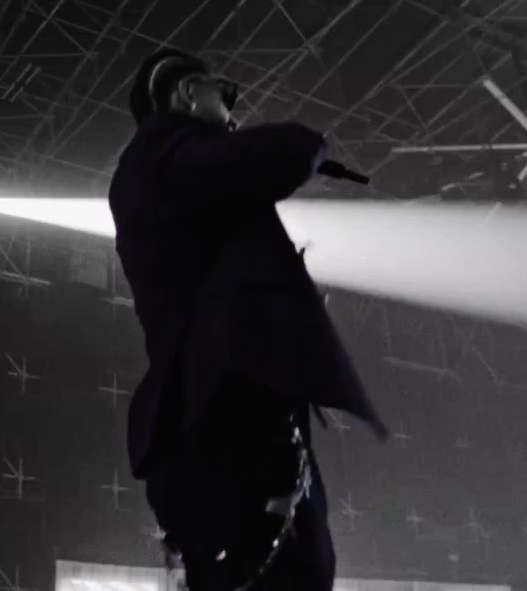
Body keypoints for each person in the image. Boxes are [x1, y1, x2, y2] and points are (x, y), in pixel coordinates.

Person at [108, 49, 388, 591]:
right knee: (286, 571)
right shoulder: (164, 151)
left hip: (214, 417)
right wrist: (311, 146)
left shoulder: (159, 177)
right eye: (226, 93)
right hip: (231, 419)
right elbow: (280, 153)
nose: (233, 108)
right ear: (189, 93)